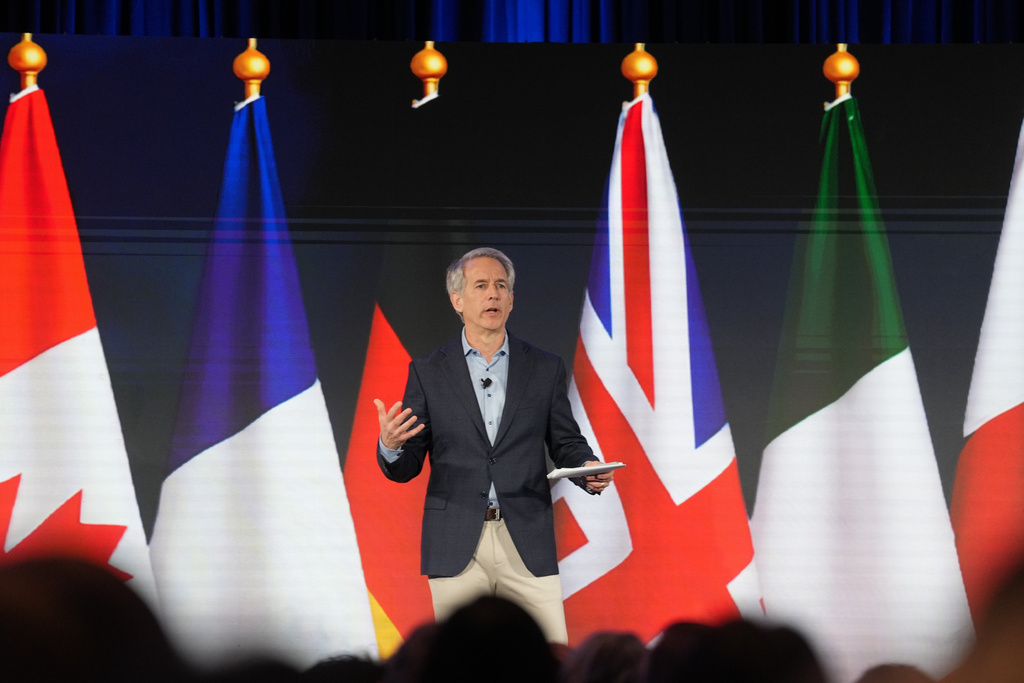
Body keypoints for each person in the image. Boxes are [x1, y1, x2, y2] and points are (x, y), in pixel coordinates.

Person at [374, 247, 612, 644]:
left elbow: (566, 441)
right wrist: (391, 445)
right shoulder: (429, 371)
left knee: (546, 657)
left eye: (501, 286)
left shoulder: (544, 367)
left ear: (512, 300)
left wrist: (588, 469)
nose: (493, 294)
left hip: (527, 537)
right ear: (457, 300)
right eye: (481, 285)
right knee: (458, 665)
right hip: (455, 541)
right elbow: (407, 465)